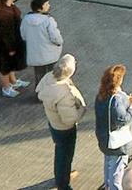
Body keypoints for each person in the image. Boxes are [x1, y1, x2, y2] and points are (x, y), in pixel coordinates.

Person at [37, 54, 86, 190]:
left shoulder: (48, 78)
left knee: (60, 151)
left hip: (54, 123)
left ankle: (61, 176)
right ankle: (63, 183)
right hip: (65, 129)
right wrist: (81, 110)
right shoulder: (64, 94)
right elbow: (69, 119)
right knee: (65, 156)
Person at [95, 64, 132, 190]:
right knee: (117, 172)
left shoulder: (101, 95)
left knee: (108, 164)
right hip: (118, 143)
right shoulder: (117, 99)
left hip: (105, 139)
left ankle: (108, 186)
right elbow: (122, 119)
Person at [0, 0, 30, 97]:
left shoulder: (9, 5)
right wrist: (11, 48)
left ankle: (13, 81)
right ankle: (6, 88)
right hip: (6, 44)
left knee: (11, 63)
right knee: (5, 66)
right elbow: (6, 34)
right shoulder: (5, 13)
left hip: (13, 40)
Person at [21, 0, 64, 85]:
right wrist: (60, 43)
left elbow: (23, 35)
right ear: (40, 8)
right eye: (46, 4)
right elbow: (55, 38)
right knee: (52, 76)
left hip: (35, 55)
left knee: (39, 76)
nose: (49, 6)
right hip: (50, 55)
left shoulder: (26, 19)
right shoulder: (48, 20)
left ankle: (39, 92)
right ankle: (51, 92)